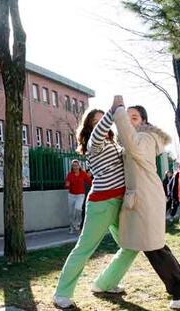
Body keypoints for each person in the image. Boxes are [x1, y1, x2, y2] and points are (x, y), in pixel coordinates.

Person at [103, 101, 180, 309]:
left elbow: (132, 145)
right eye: (127, 117)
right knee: (153, 243)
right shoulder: (135, 138)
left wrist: (119, 113)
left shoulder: (145, 137)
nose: (128, 120)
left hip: (147, 198)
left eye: (133, 117)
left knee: (151, 246)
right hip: (142, 199)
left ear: (143, 122)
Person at [53, 109, 138, 309]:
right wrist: (112, 110)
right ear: (90, 126)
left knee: (132, 245)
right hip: (101, 203)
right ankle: (61, 294)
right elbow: (99, 132)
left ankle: (104, 283)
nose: (102, 125)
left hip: (119, 201)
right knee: (84, 249)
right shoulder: (94, 143)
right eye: (96, 122)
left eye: (104, 121)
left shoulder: (113, 142)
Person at [64, 159, 92, 233]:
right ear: (72, 167)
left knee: (78, 209)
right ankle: (71, 226)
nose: (75, 167)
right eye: (73, 166)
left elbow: (90, 181)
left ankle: (78, 224)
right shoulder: (70, 174)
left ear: (79, 166)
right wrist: (67, 184)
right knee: (71, 212)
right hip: (71, 195)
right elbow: (67, 184)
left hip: (80, 195)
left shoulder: (83, 174)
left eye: (76, 165)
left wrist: (95, 188)